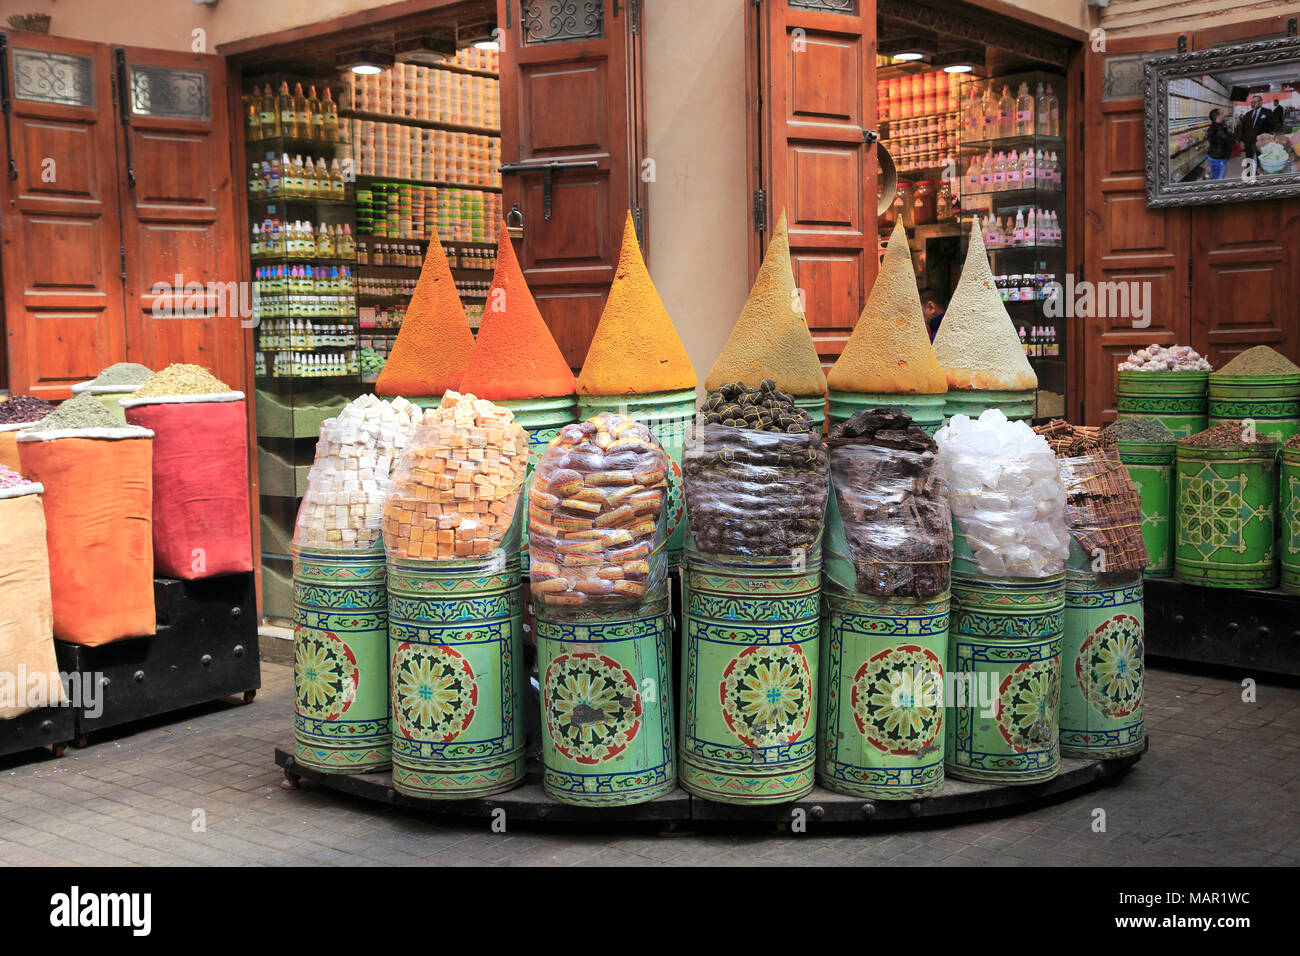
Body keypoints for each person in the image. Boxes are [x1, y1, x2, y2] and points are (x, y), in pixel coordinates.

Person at [1239, 94, 1274, 161]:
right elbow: (1243, 128)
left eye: (1255, 102)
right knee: (1248, 160)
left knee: (1261, 159)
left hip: (1262, 141)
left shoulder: (1267, 112)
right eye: (1252, 102)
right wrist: (1241, 140)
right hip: (1249, 142)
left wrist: (1269, 138)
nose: (1252, 104)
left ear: (1261, 102)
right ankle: (1249, 171)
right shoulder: (1247, 114)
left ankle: (1259, 171)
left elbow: (1272, 126)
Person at [1206, 108, 1235, 180]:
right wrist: (1231, 134)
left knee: (1214, 176)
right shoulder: (1220, 129)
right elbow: (1230, 140)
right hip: (1219, 157)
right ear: (1218, 116)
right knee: (1218, 178)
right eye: (1222, 113)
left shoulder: (1211, 127)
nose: (1224, 115)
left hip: (1212, 155)